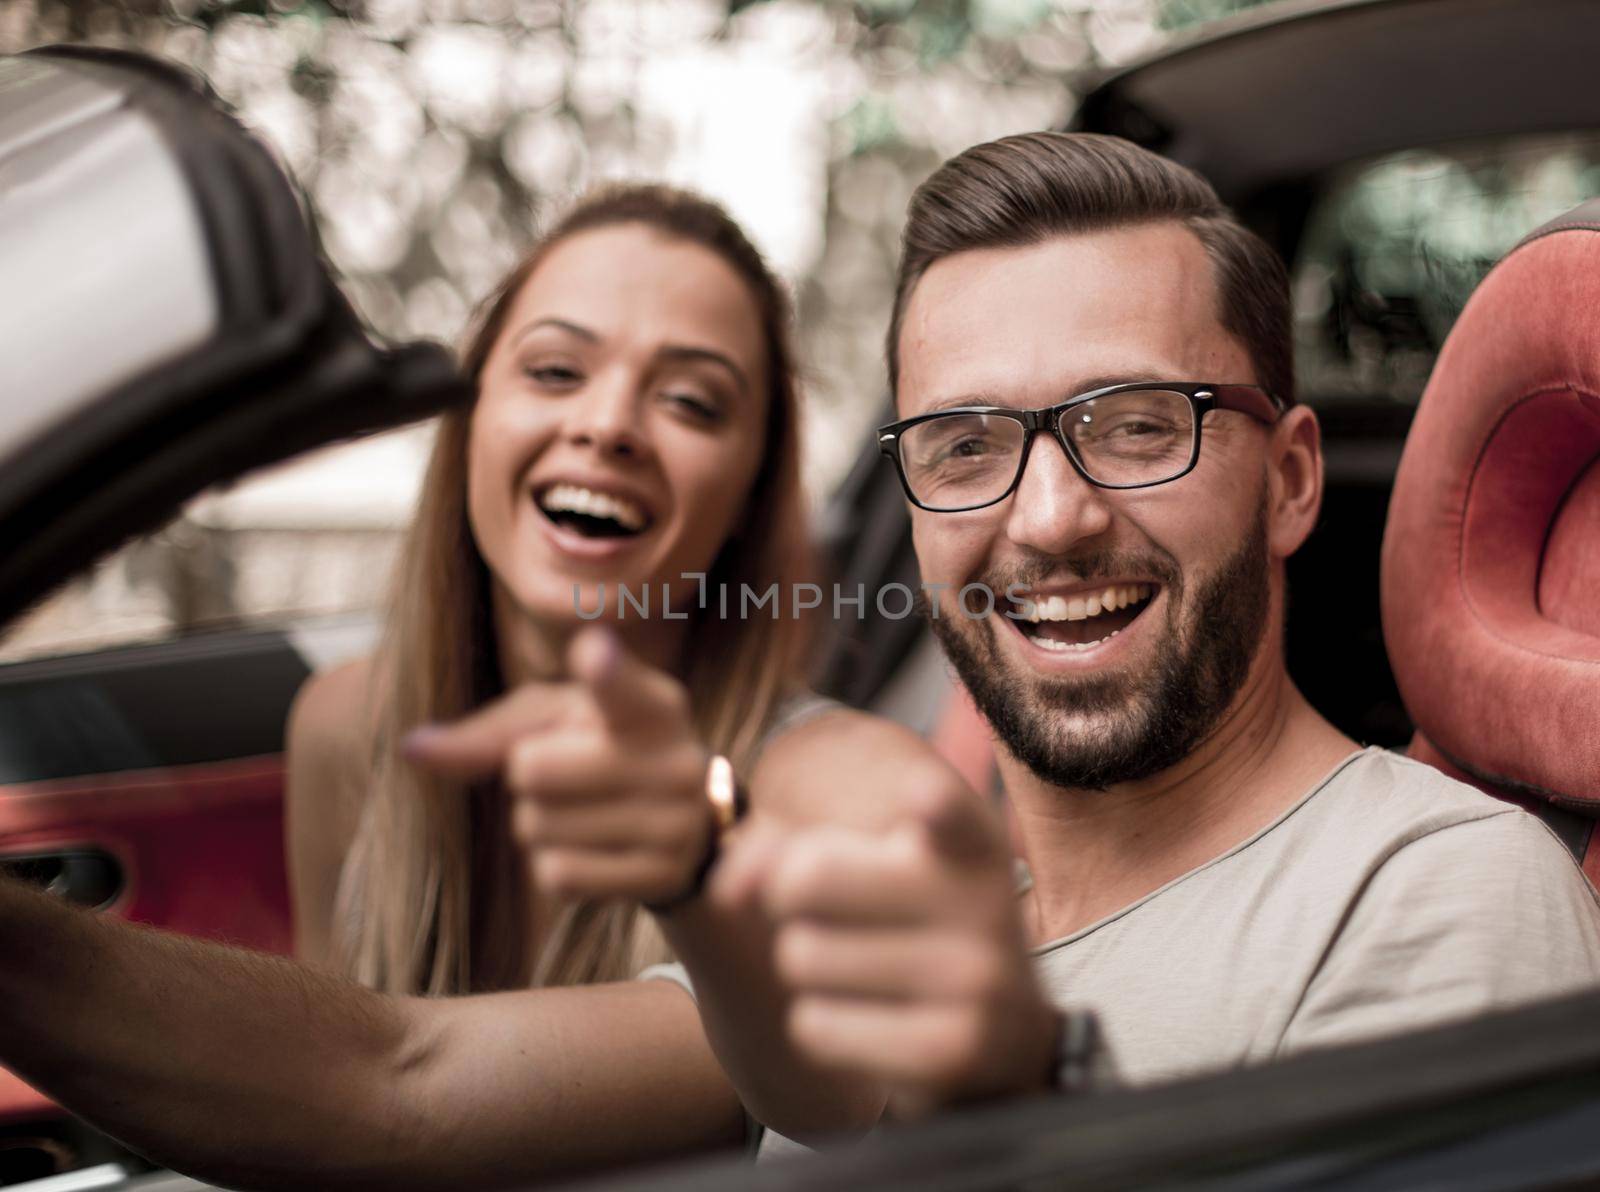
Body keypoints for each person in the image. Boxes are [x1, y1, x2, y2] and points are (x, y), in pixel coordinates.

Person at [0, 183, 959, 1187]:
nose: (609, 424)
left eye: (689, 400)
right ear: (471, 420)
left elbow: (386, 1085)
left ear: (749, 496)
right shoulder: (342, 725)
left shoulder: (850, 793)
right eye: (554, 368)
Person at [712, 130, 1600, 1137]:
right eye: (964, 446)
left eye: (1135, 425)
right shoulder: (886, 935)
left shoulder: (1439, 899)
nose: (1050, 519)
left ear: (1288, 482)